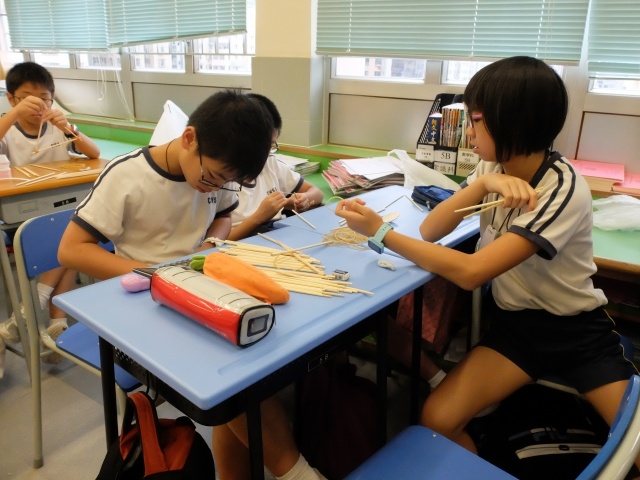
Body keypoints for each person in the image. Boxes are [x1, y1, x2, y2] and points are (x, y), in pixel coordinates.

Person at [335, 56, 639, 467]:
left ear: (514, 121)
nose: (468, 131)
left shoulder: (562, 188)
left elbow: (472, 273)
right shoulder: (493, 165)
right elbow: (431, 229)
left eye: (476, 120)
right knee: (437, 419)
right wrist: (482, 183)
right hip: (516, 330)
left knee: (635, 447)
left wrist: (381, 232)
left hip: (576, 334)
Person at [57, 89, 325, 480]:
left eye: (227, 182)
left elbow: (224, 216)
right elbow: (71, 250)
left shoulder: (216, 177)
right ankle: (297, 473)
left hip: (199, 291)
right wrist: (153, 271)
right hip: (143, 310)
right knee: (234, 382)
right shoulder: (126, 175)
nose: (214, 188)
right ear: (188, 138)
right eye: (213, 177)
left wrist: (209, 244)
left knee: (253, 361)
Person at [0, 62, 100, 362]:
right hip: (23, 218)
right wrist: (12, 115)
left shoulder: (58, 127)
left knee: (74, 234)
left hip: (63, 211)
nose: (38, 105)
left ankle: (34, 311)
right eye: (27, 98)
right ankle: (56, 318)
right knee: (74, 239)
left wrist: (69, 127)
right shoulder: (9, 130)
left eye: (44, 98)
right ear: (11, 99)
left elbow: (94, 153)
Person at [227, 93, 323, 241]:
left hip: (278, 234)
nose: (265, 152)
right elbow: (217, 242)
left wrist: (304, 199)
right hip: (243, 244)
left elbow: (317, 193)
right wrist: (259, 217)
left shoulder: (270, 163)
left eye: (271, 144)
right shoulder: (219, 180)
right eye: (262, 145)